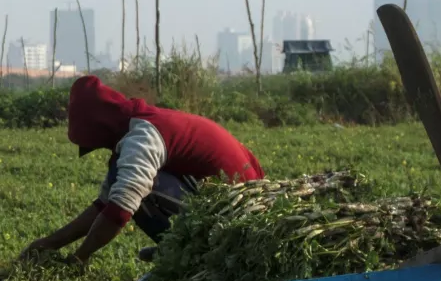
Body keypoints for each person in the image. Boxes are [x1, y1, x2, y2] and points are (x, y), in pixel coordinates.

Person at [19, 75, 264, 268]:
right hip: (228, 199)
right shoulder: (141, 124)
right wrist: (50, 244)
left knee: (138, 189)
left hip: (238, 213)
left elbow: (119, 208)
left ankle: (191, 254)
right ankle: (182, 248)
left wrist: (79, 257)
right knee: (125, 180)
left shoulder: (144, 136)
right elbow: (103, 205)